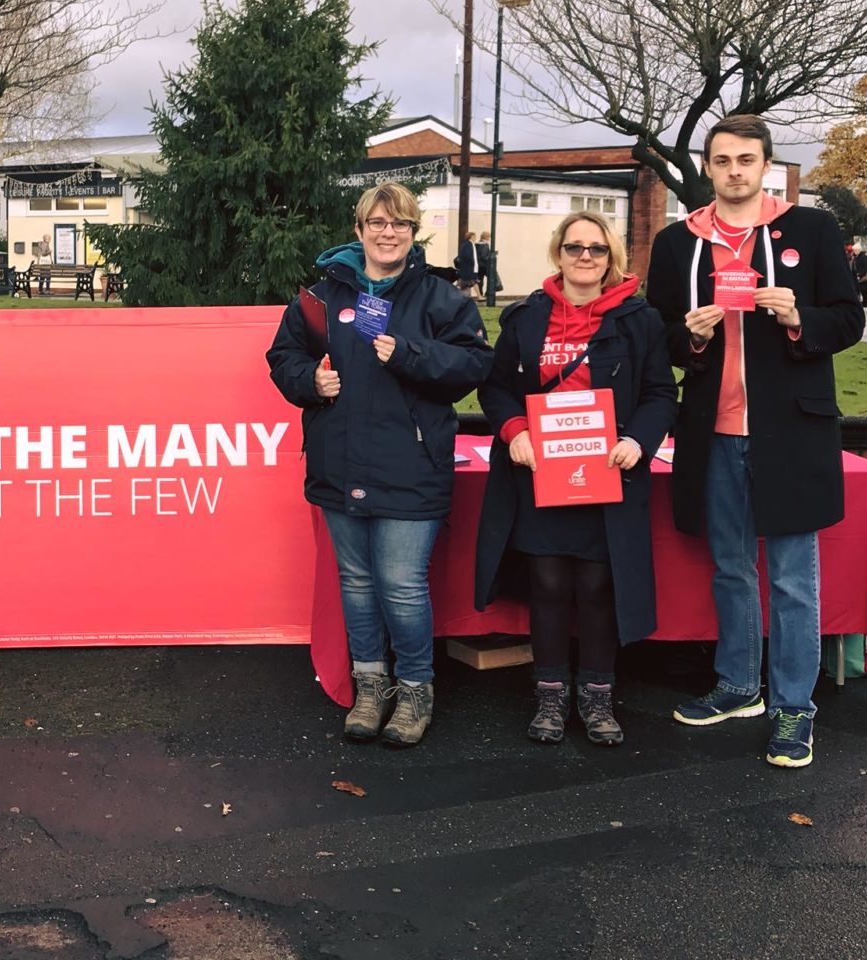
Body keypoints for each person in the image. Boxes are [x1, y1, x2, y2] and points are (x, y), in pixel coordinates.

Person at [647, 115, 864, 769]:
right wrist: (694, 337)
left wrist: (799, 317)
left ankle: (794, 704)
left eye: (747, 159)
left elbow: (849, 318)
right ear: (708, 168)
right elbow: (656, 336)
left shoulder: (812, 230)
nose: (735, 171)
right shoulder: (676, 243)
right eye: (723, 160)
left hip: (791, 430)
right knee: (732, 568)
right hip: (712, 431)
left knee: (796, 579)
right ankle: (740, 685)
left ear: (766, 164)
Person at [267, 183, 493, 747]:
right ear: (360, 227)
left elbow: (474, 365)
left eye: (399, 224)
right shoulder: (321, 298)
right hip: (339, 460)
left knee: (401, 585)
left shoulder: (442, 299)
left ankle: (416, 688)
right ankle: (371, 686)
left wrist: (410, 353)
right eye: (377, 222)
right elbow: (283, 356)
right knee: (357, 582)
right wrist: (308, 382)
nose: (387, 232)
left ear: (413, 232)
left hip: (410, 465)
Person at [475, 212, 676, 746]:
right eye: (573, 248)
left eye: (596, 249)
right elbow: (494, 388)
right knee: (547, 582)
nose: (584, 257)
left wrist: (638, 441)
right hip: (541, 472)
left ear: (611, 258)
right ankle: (549, 695)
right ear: (557, 253)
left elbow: (661, 392)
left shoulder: (639, 320)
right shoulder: (525, 317)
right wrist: (514, 428)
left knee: (596, 584)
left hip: (609, 472)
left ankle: (597, 695)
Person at [455, 231, 480, 297]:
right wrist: (472, 262)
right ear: (471, 237)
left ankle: (466, 296)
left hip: (467, 267)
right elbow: (466, 255)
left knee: (465, 283)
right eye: (474, 236)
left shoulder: (468, 244)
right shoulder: (468, 244)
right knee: (473, 281)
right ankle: (479, 296)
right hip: (468, 267)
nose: (475, 238)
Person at [474, 232, 492, 298]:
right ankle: (487, 294)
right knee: (492, 279)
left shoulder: (476, 244)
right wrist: (491, 257)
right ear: (486, 237)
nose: (490, 238)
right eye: (489, 237)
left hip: (478, 266)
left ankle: (480, 294)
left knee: (480, 280)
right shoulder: (485, 245)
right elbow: (483, 256)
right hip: (484, 265)